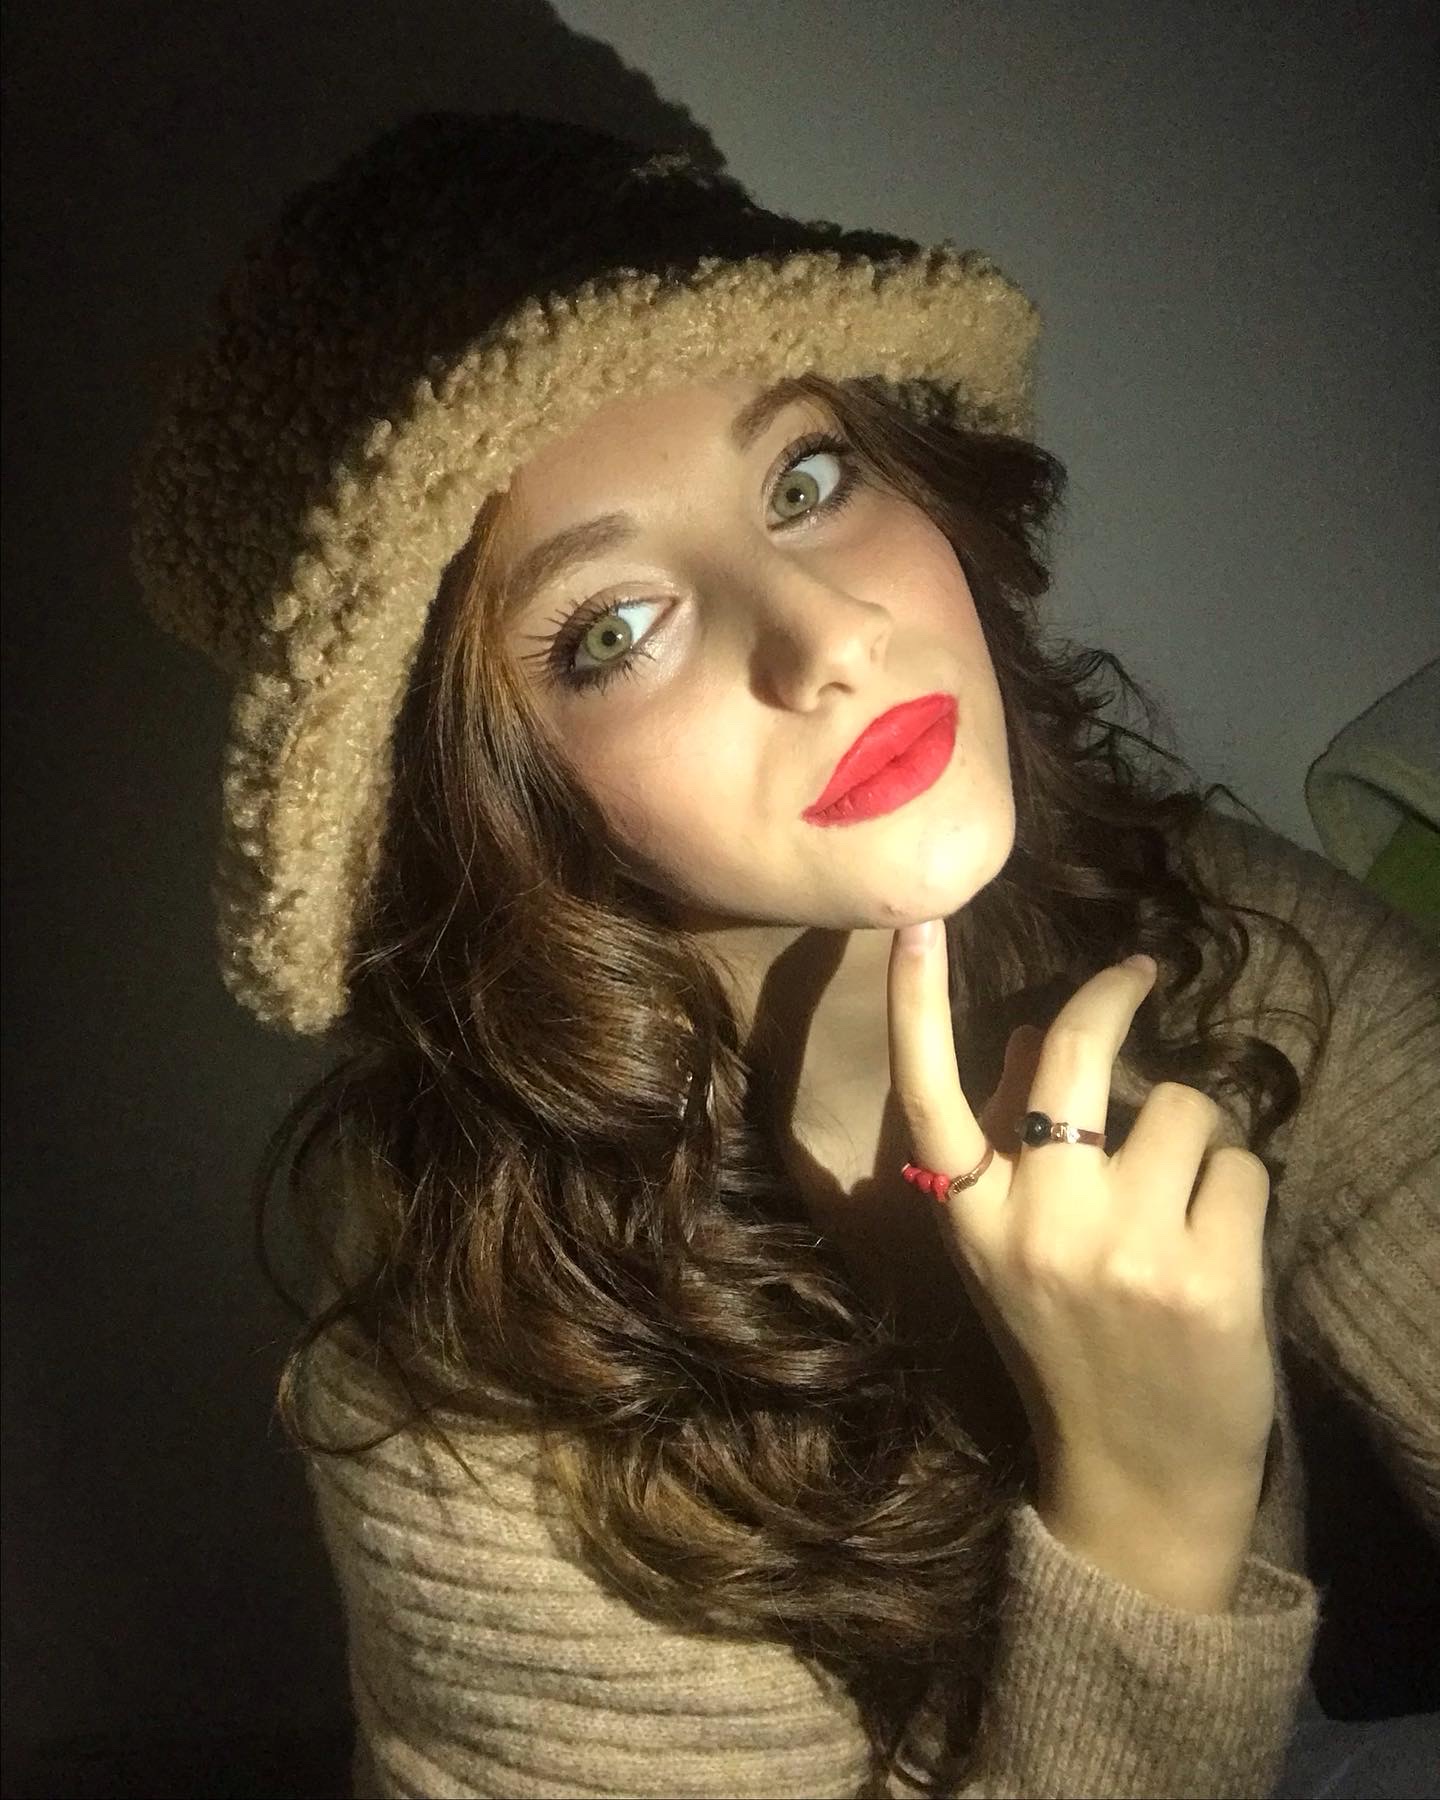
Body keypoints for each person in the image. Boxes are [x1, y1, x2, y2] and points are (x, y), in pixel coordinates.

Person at [128, 112, 1439, 1799]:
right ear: (485, 796)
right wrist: (1151, 1515)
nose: (827, 640)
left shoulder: (1207, 935)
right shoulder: (471, 1410)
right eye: (614, 628)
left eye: (806, 483)